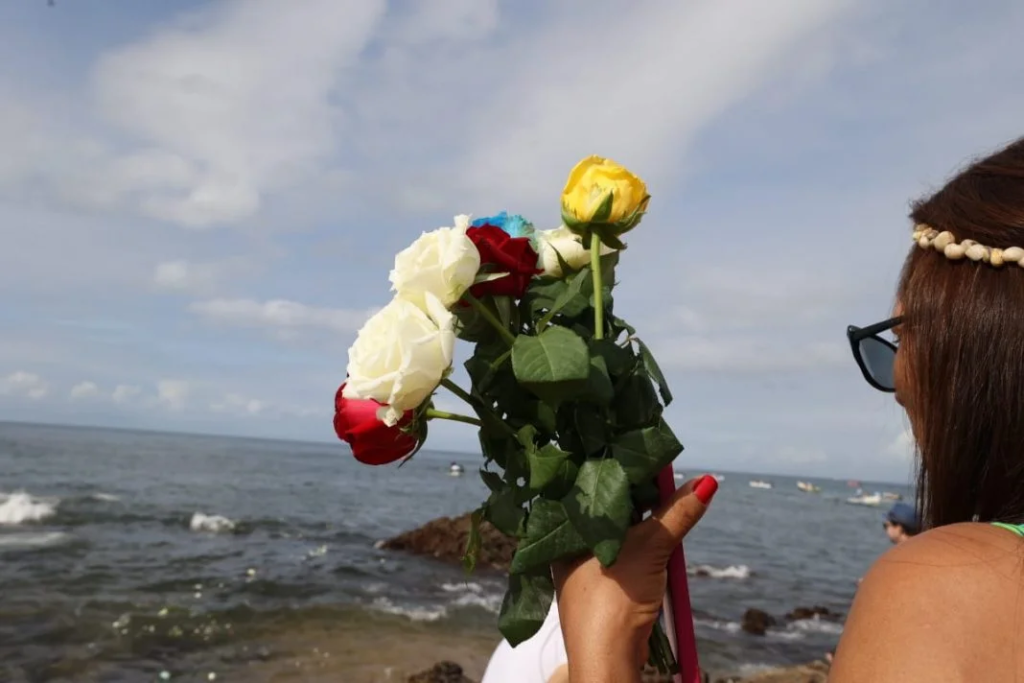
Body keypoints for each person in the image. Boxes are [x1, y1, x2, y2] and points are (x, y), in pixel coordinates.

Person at [552, 137, 1024, 682]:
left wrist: (602, 655)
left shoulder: (953, 587)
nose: (897, 379)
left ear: (984, 343)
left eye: (901, 334)